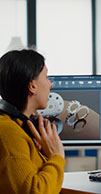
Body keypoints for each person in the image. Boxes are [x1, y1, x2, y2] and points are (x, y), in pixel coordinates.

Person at [0, 50, 65, 194]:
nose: (50, 84)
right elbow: (34, 191)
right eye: (46, 77)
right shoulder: (9, 132)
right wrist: (57, 157)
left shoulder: (17, 125)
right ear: (32, 85)